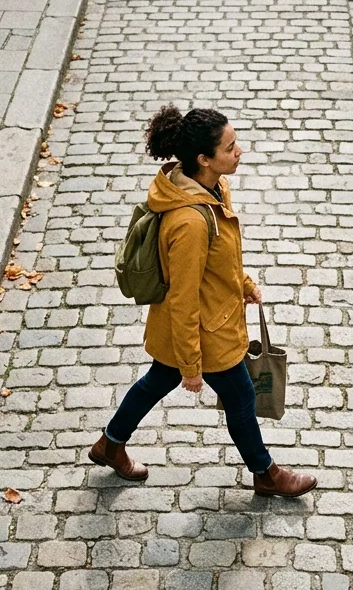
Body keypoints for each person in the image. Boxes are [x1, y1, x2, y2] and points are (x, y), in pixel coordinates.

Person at [90, 104, 318, 498]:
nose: (239, 151)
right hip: (204, 331)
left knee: (155, 381)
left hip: (204, 321)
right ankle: (266, 473)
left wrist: (242, 282)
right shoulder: (191, 222)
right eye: (230, 147)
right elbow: (183, 297)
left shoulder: (213, 190)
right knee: (241, 395)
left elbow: (220, 258)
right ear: (204, 160)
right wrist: (192, 366)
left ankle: (110, 444)